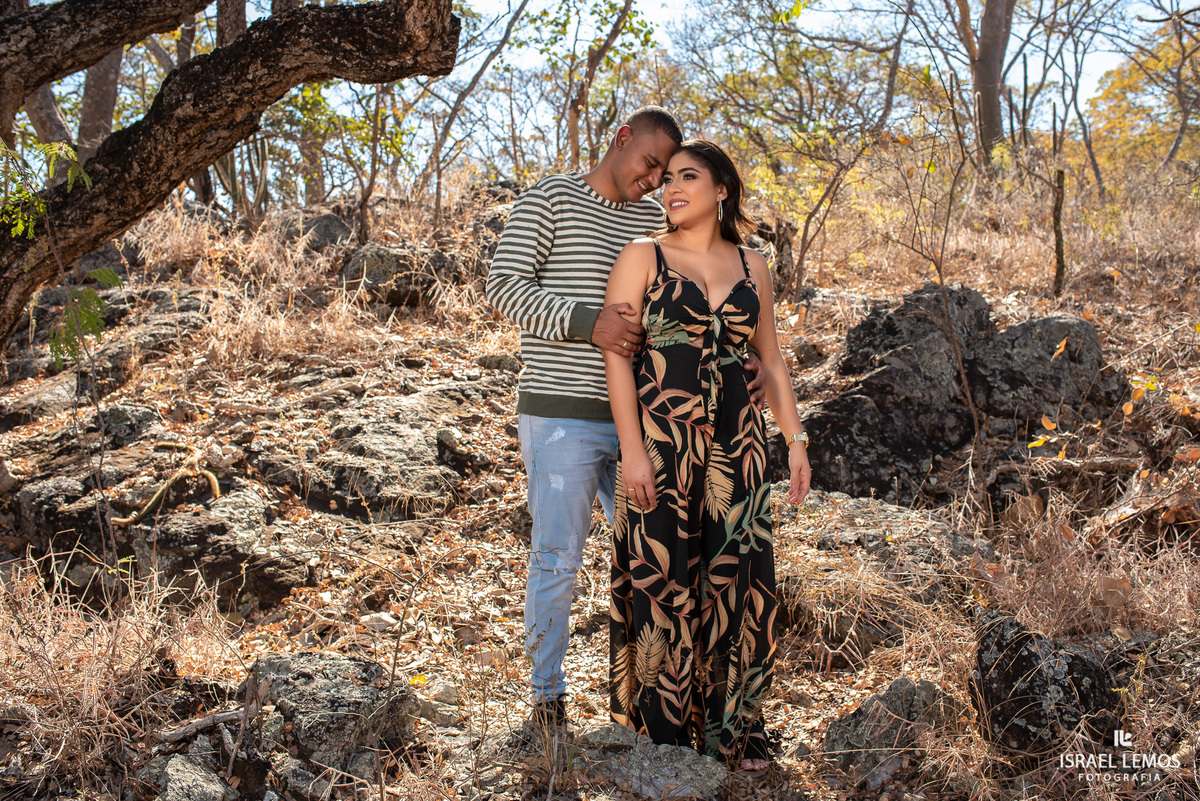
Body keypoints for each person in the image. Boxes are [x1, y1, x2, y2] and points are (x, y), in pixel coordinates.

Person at [603, 140, 812, 771]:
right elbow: (616, 357)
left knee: (737, 580)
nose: (671, 188)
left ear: (722, 189)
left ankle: (735, 730)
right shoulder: (642, 255)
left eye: (687, 177)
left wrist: (794, 441)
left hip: (738, 443)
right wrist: (633, 452)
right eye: (666, 178)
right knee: (663, 578)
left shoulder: (754, 265)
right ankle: (664, 738)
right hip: (662, 442)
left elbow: (771, 359)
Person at [485, 107, 685, 728]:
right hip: (560, 415)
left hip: (643, 425)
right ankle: (547, 698)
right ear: (622, 138)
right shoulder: (551, 198)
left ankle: (650, 700)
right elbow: (502, 286)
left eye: (663, 173)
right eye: (649, 163)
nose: (653, 180)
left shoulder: (655, 222)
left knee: (654, 560)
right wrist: (584, 322)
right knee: (558, 559)